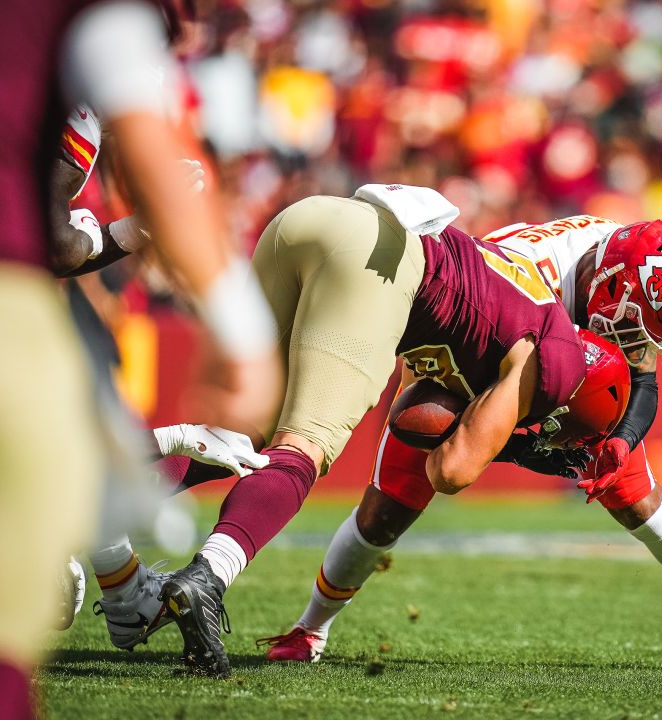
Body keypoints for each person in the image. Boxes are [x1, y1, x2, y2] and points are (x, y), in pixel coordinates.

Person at [0, 2, 281, 718]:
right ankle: (114, 586)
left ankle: (124, 585)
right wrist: (235, 321)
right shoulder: (74, 33)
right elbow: (70, 219)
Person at [262, 216, 662, 675]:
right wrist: (510, 438)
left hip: (550, 362)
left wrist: (621, 442)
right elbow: (452, 340)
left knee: (641, 499)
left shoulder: (623, 263)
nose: (640, 346)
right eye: (634, 330)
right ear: (613, 290)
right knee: (386, 509)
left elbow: (643, 379)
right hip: (471, 362)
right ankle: (310, 630)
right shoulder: (537, 274)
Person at [155, 184, 593, 677]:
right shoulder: (559, 360)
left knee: (238, 435)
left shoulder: (517, 294)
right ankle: (208, 578)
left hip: (310, 220)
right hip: (378, 261)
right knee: (303, 447)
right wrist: (523, 446)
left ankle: (97, 538)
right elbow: (451, 470)